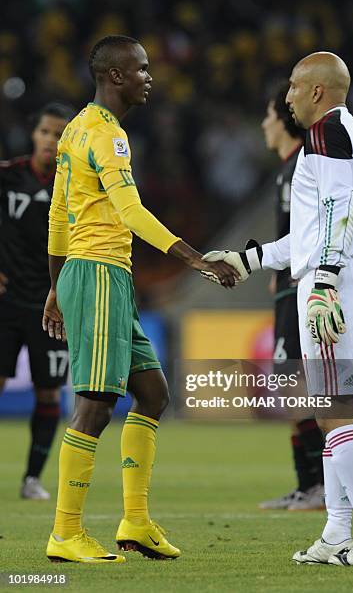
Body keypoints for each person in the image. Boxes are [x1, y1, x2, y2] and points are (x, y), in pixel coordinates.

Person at [43, 34, 238, 564]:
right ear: (114, 76)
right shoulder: (108, 136)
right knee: (95, 404)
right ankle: (65, 532)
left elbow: (60, 218)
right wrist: (197, 259)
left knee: (151, 394)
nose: (150, 76)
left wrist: (57, 286)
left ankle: (134, 522)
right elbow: (129, 213)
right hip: (102, 272)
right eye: (142, 69)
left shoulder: (73, 130)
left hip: (97, 275)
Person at [203, 52, 353, 566]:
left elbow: (337, 211)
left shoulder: (326, 135)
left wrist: (325, 284)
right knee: (332, 409)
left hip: (336, 282)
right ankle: (337, 532)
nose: (286, 96)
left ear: (317, 91)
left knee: (333, 409)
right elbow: (308, 235)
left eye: (293, 86)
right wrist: (249, 259)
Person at [0, 103, 73, 500]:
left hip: (53, 306)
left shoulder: (74, 186)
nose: (51, 141)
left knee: (48, 392)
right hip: (6, 304)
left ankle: (32, 480)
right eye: (46, 132)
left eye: (60, 134)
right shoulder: (8, 176)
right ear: (34, 135)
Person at [258, 82, 325, 511]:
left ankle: (318, 486)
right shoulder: (285, 168)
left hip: (300, 287)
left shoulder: (304, 164)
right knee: (292, 387)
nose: (264, 123)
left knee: (300, 385)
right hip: (286, 284)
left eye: (267, 115)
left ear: (282, 120)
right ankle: (308, 485)